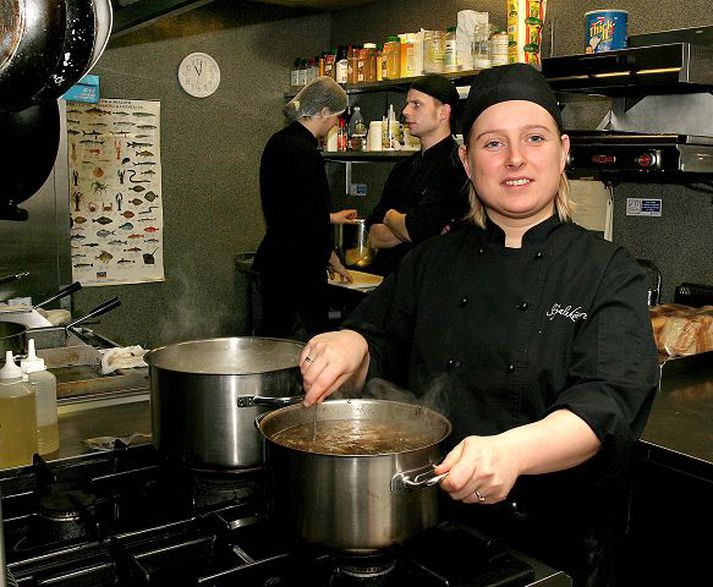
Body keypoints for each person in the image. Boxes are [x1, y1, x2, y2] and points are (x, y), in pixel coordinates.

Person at [297, 64, 660, 586]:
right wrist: (349, 344)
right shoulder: (430, 261)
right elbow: (377, 342)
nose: (515, 159)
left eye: (534, 139)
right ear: (466, 160)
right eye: (493, 144)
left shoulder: (607, 272)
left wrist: (510, 451)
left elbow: (608, 403)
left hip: (549, 547)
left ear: (563, 152)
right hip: (423, 525)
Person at [253, 77, 357, 341]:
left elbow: (290, 207)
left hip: (275, 262)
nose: (335, 123)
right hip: (297, 272)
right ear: (323, 112)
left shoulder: (279, 141)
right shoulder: (304, 152)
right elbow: (307, 222)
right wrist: (332, 257)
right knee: (301, 350)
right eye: (336, 116)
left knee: (274, 347)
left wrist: (330, 218)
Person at [365, 74, 470, 275]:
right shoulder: (404, 167)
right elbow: (375, 235)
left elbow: (419, 229)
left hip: (434, 282)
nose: (405, 111)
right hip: (393, 279)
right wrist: (405, 224)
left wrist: (390, 217)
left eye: (416, 104)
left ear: (443, 112)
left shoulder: (456, 165)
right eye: (407, 104)